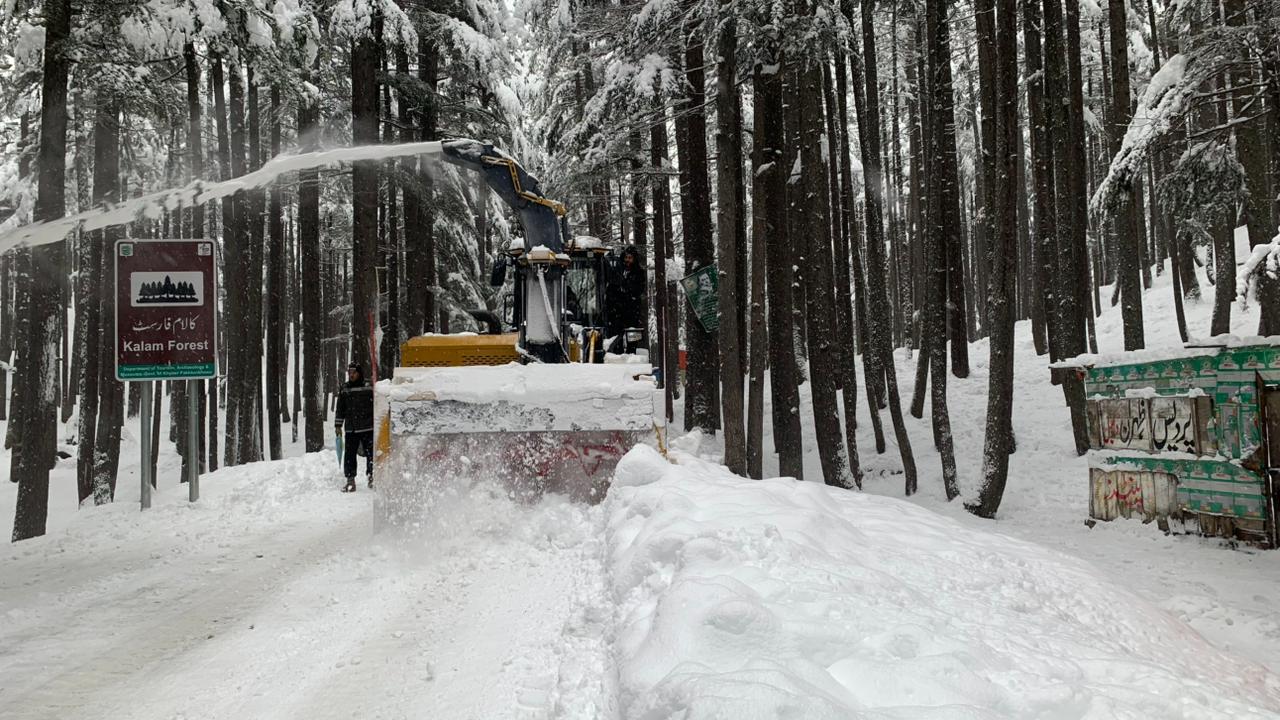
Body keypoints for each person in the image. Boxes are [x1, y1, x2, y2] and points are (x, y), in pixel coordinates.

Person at [335, 361, 374, 492]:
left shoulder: (369, 387)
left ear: (359, 373)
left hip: (368, 427)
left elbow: (377, 404)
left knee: (371, 453)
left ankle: (372, 476)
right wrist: (338, 425)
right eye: (349, 372)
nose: (351, 375)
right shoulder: (345, 388)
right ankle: (350, 480)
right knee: (349, 455)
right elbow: (340, 408)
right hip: (351, 428)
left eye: (353, 372)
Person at [607, 246, 647, 340]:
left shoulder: (638, 273)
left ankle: (632, 352)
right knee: (616, 338)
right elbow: (611, 287)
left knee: (633, 337)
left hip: (632, 310)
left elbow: (639, 289)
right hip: (617, 310)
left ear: (634, 259)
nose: (627, 260)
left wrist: (627, 290)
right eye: (626, 257)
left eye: (630, 258)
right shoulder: (617, 271)